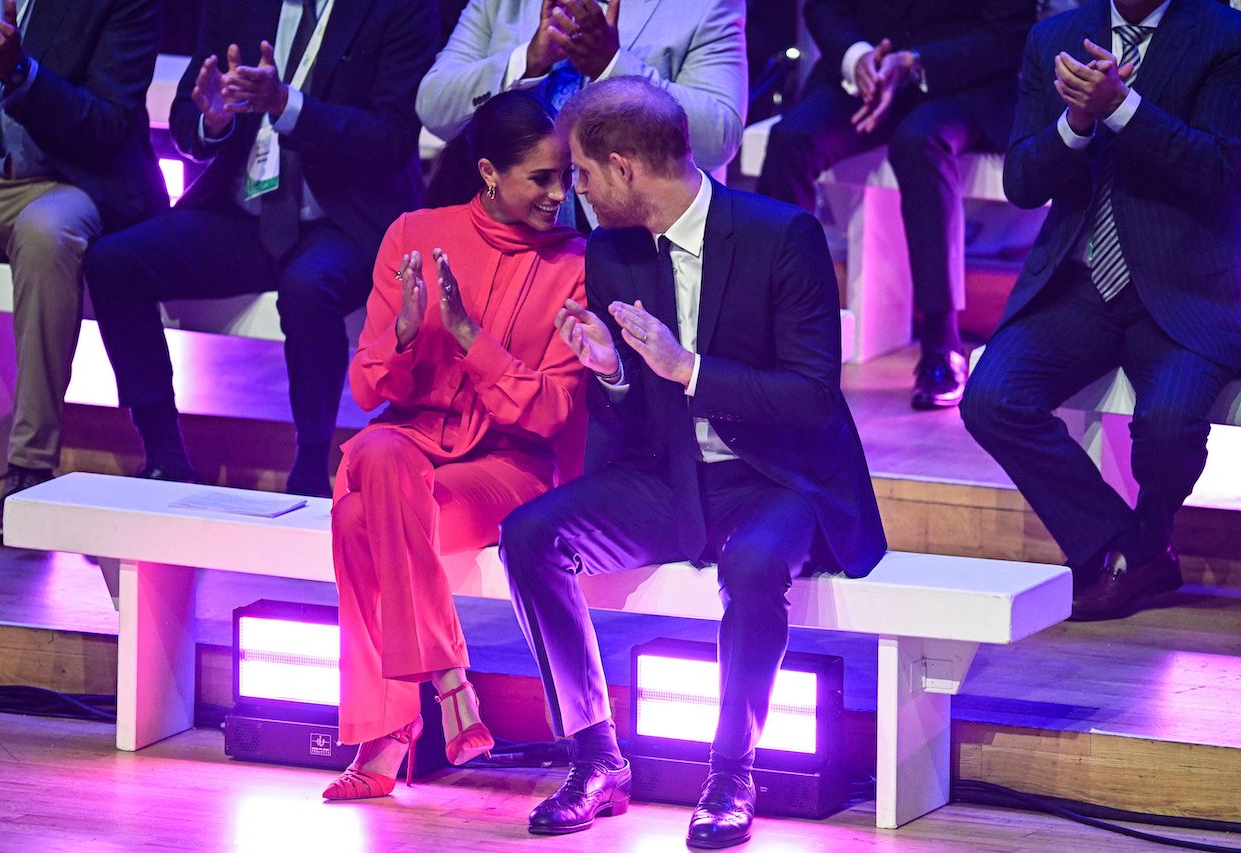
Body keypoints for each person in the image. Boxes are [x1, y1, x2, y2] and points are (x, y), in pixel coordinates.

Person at [499, 77, 886, 849]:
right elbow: (637, 417)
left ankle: (731, 774)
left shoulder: (784, 236)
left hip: (777, 477)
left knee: (750, 567)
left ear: (623, 168)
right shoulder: (612, 252)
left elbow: (813, 397)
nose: (574, 191)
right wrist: (613, 370)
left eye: (580, 173)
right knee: (529, 535)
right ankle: (594, 756)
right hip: (670, 474)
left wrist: (691, 369)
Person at [322, 90, 588, 801]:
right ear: (490, 173)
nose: (559, 194)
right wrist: (407, 331)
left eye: (566, 176)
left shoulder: (576, 265)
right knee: (375, 456)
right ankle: (446, 680)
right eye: (542, 177)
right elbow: (370, 386)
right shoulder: (413, 233)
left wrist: (470, 338)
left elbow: (550, 413)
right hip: (410, 451)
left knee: (357, 516)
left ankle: (384, 736)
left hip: (509, 467)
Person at [82, 0, 438, 497]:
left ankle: (311, 468)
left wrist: (287, 106)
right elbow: (190, 113)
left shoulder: (399, 9)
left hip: (344, 218)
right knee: (114, 262)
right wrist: (214, 120)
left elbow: (391, 137)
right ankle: (164, 454)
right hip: (244, 213)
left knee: (310, 287)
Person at [961, 0, 1241, 621]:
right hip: (1079, 281)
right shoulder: (1055, 36)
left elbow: (1220, 171)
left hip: (1186, 287)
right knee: (990, 398)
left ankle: (1139, 547)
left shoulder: (1226, 35)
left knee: (1167, 426)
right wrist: (1076, 124)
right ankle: (1128, 549)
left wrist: (1123, 109)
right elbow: (1023, 185)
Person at [757, 0, 1035, 410]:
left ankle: (942, 345)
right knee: (791, 140)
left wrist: (913, 64)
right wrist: (858, 59)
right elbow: (823, 8)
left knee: (920, 142)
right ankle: (780, 326)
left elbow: (1007, 34)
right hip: (862, 75)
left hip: (965, 85)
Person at [0, 0, 166, 543]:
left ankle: (29, 468)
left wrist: (21, 72)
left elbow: (105, 126)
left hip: (67, 183)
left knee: (46, 236)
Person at [415, 0, 747, 220]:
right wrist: (528, 61)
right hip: (504, 238)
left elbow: (719, 138)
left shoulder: (703, 6)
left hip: (633, 252)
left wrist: (613, 66)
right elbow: (434, 108)